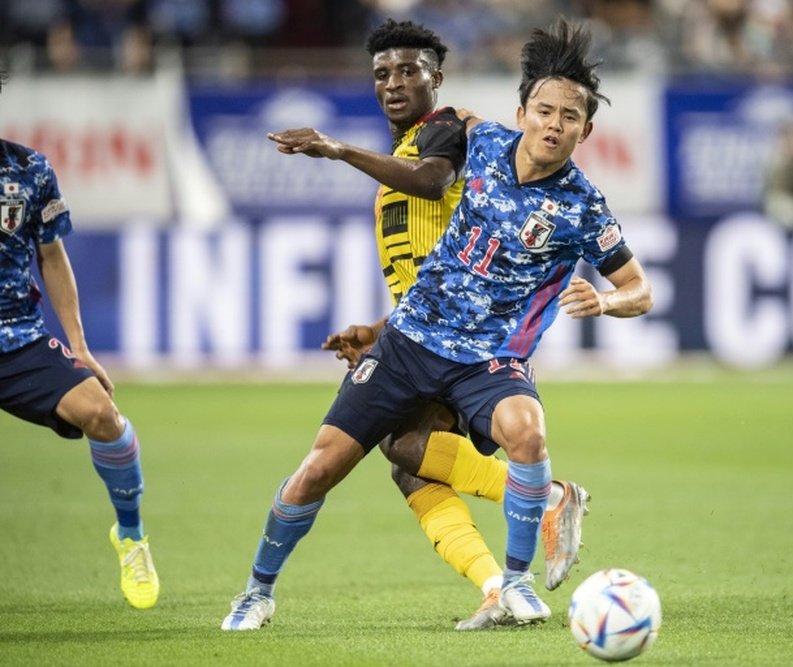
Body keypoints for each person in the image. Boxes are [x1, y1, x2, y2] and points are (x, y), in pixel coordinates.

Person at [222, 17, 651, 631]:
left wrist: (608, 302)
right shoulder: (481, 139)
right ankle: (257, 592)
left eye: (569, 117)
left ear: (587, 130)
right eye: (545, 110)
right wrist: (378, 327)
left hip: (489, 357)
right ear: (523, 110)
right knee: (325, 466)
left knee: (525, 430)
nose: (555, 125)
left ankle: (518, 584)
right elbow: (441, 206)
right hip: (410, 341)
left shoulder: (582, 204)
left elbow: (641, 287)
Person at [0, 69, 159, 609]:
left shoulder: (27, 170)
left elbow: (51, 255)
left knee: (102, 413)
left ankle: (132, 534)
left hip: (15, 337)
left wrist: (79, 346)